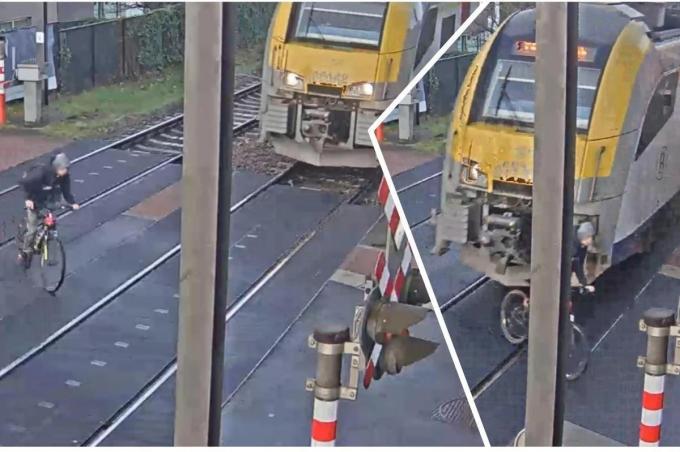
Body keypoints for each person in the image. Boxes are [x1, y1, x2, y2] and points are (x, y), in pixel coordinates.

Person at [18, 153, 80, 267]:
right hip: (34, 198)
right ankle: (25, 252)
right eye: (62, 169)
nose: (65, 171)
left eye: (66, 169)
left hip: (48, 198)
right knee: (32, 229)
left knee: (51, 221)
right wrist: (28, 199)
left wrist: (72, 203)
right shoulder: (41, 174)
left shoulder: (64, 177)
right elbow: (25, 183)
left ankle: (48, 243)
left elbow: (66, 191)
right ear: (56, 168)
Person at [572, 221, 596, 293]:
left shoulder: (583, 246)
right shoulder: (572, 243)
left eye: (591, 237)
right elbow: (576, 264)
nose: (590, 240)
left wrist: (584, 284)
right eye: (588, 237)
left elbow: (580, 263)